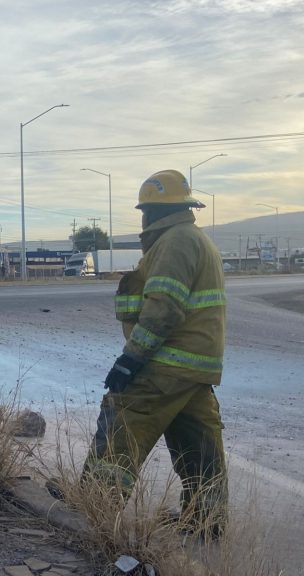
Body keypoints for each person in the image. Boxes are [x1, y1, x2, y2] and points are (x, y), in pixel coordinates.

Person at [83, 169, 228, 537]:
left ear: (154, 212)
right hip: (195, 369)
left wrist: (130, 360)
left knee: (123, 424)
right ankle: (206, 520)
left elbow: (163, 308)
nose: (143, 218)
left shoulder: (176, 242)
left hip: (165, 365)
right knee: (199, 445)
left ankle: (93, 508)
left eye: (146, 210)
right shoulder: (196, 239)